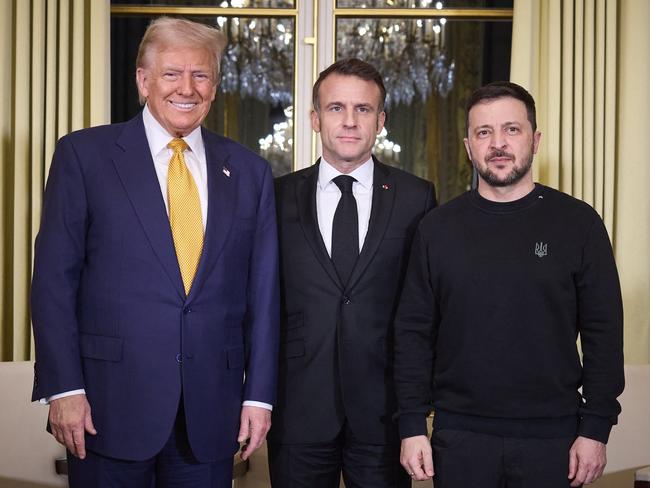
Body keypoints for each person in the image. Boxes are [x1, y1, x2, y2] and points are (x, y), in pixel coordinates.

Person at [30, 17, 279, 487]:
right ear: (143, 80)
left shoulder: (249, 172)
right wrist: (64, 387)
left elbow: (263, 295)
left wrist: (259, 397)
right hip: (104, 411)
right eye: (171, 73)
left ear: (215, 84)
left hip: (211, 415)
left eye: (201, 75)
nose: (187, 87)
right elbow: (53, 283)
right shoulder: (84, 157)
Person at [394, 81, 624, 488]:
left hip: (554, 438)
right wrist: (412, 425)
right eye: (484, 132)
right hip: (460, 436)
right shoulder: (436, 229)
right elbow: (413, 332)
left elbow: (604, 333)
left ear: (535, 140)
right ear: (468, 146)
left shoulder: (579, 224)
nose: (498, 143)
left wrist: (596, 428)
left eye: (511, 130)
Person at [268, 58, 437, 488]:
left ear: (380, 120)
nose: (348, 121)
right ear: (314, 118)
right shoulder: (275, 196)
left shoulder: (416, 197)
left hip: (384, 412)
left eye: (362, 109)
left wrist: (418, 405)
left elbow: (427, 305)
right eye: (335, 107)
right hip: (297, 408)